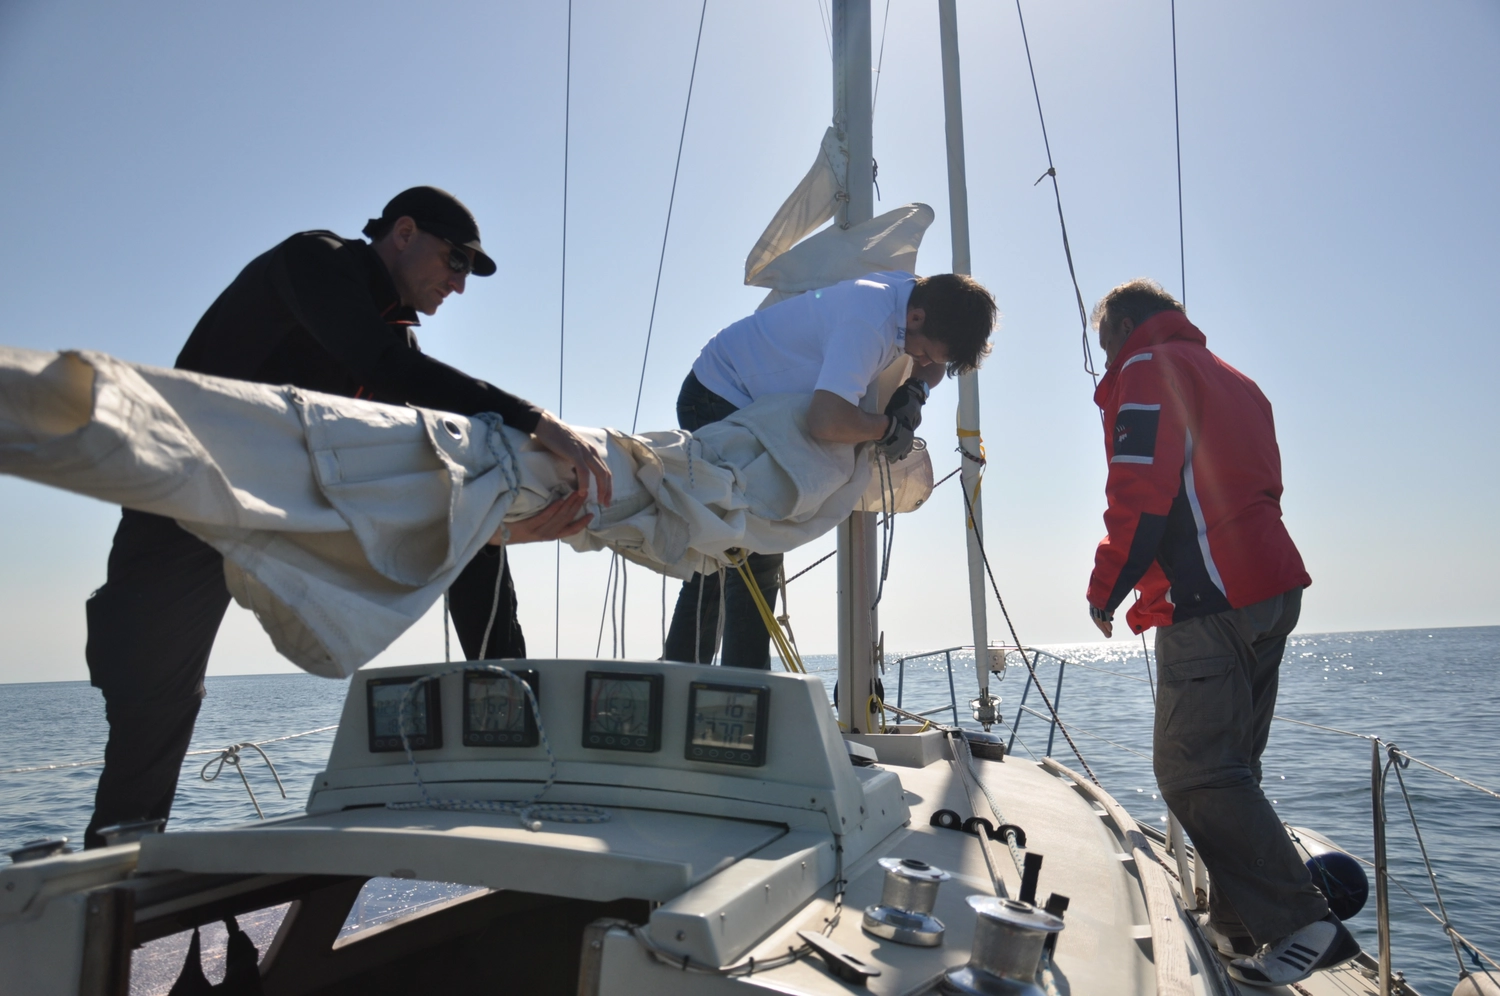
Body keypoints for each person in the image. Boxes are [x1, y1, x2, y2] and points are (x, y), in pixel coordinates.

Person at [82, 187, 611, 848]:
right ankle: (116, 864)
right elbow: (381, 366)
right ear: (404, 232)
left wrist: (498, 525)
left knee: (466, 487)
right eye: (455, 261)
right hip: (187, 501)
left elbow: (434, 451)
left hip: (291, 505)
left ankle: (510, 716)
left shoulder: (393, 332)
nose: (458, 284)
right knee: (153, 695)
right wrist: (537, 419)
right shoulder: (317, 263)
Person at [1084, 279, 1357, 986]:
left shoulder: (1147, 369)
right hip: (1272, 588)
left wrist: (1107, 587)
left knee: (1194, 770)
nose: (1104, 357)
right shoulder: (1238, 380)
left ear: (1123, 325)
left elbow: (1141, 489)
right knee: (1231, 765)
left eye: (1103, 339)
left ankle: (1302, 923)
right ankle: (1238, 930)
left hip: (1211, 595)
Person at [664, 270, 996, 669]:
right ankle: (727, 681)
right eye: (923, 353)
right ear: (917, 318)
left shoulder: (918, 299)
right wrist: (888, 427)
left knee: (753, 547)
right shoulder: (867, 325)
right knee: (740, 545)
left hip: (755, 392)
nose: (921, 362)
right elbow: (825, 420)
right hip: (718, 394)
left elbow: (934, 364)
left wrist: (915, 392)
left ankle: (724, 678)